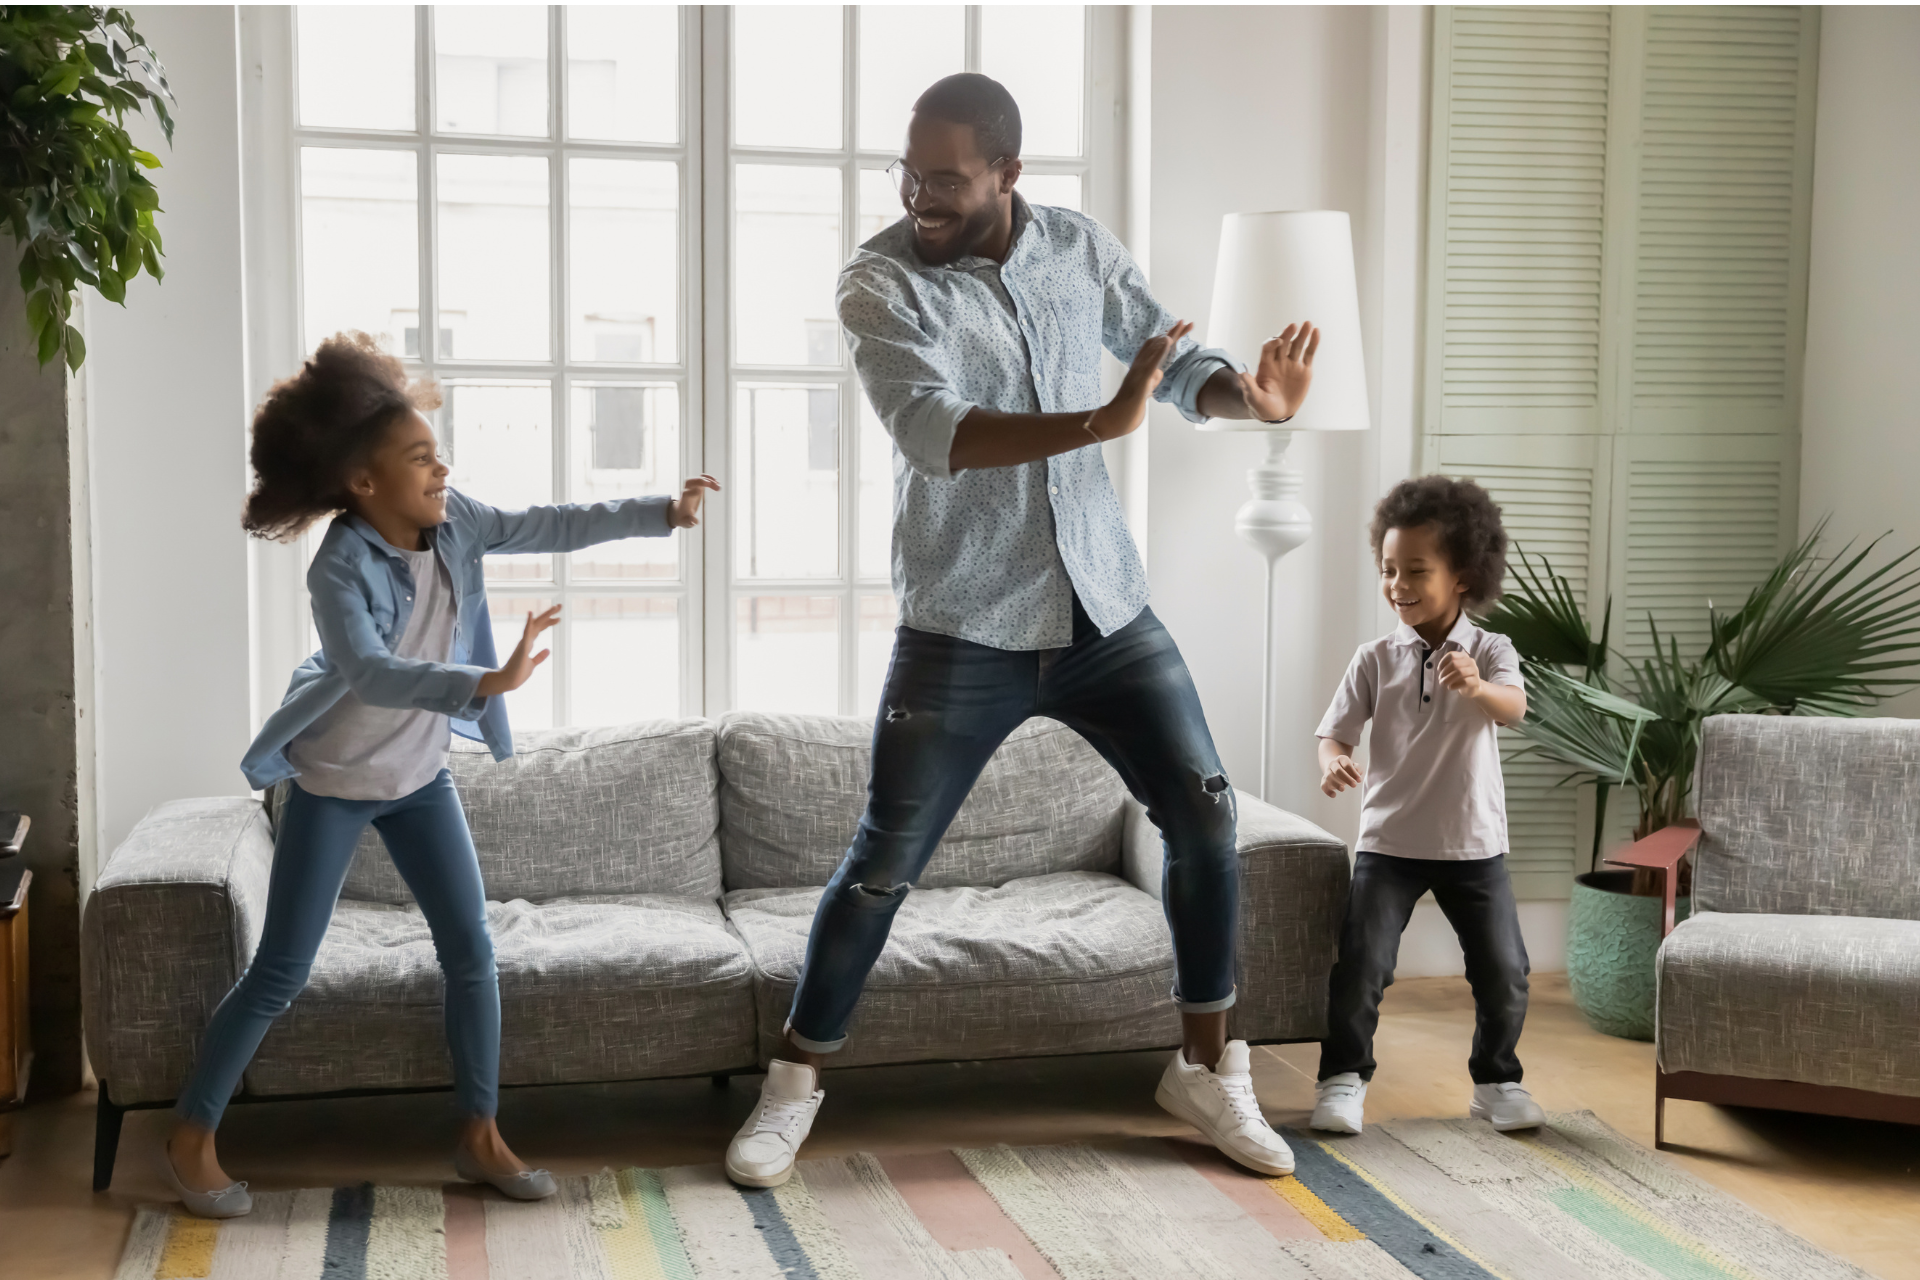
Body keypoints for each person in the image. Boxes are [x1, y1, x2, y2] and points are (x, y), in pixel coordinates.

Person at [722, 72, 1319, 1190]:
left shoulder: (1078, 248)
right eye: (908, 174)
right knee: (881, 862)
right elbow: (933, 432)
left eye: (945, 178)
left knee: (1204, 811)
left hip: (1105, 605)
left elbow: (1174, 362)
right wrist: (1102, 419)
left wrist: (1254, 402)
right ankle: (794, 1080)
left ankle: (1204, 1065)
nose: (919, 196)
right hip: (964, 623)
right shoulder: (876, 282)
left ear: (1008, 172)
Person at [161, 332, 719, 1218]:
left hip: (420, 778)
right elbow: (374, 671)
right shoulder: (340, 565)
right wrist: (486, 682)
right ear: (363, 483)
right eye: (420, 457)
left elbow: (554, 521)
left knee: (472, 951)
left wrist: (663, 511)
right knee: (282, 971)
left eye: (438, 452)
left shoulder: (456, 523)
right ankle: (191, 1135)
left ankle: (479, 1134)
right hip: (334, 783)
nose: (441, 467)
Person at [1309, 475, 1546, 1136]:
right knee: (1361, 968)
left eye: (1416, 570)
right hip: (1389, 843)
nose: (1397, 584)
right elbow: (1334, 732)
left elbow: (1516, 707)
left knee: (1505, 971)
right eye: (1389, 569)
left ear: (1464, 576)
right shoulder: (1374, 658)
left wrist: (1476, 684)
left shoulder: (1491, 650)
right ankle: (1342, 1079)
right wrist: (1334, 761)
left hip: (1474, 844)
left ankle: (1498, 1082)